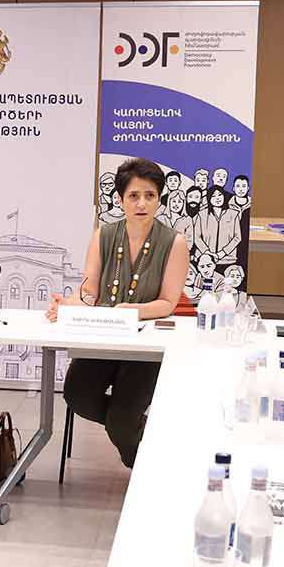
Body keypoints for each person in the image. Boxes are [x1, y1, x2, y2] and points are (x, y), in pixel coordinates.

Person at [51, 157, 188, 470]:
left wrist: (134, 311)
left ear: (159, 199)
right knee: (77, 395)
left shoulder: (174, 243)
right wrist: (69, 304)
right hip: (105, 335)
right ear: (120, 199)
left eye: (150, 195)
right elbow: (89, 291)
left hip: (146, 346)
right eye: (134, 196)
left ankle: (145, 467)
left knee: (122, 420)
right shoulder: (104, 235)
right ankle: (143, 431)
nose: (142, 203)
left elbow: (167, 303)